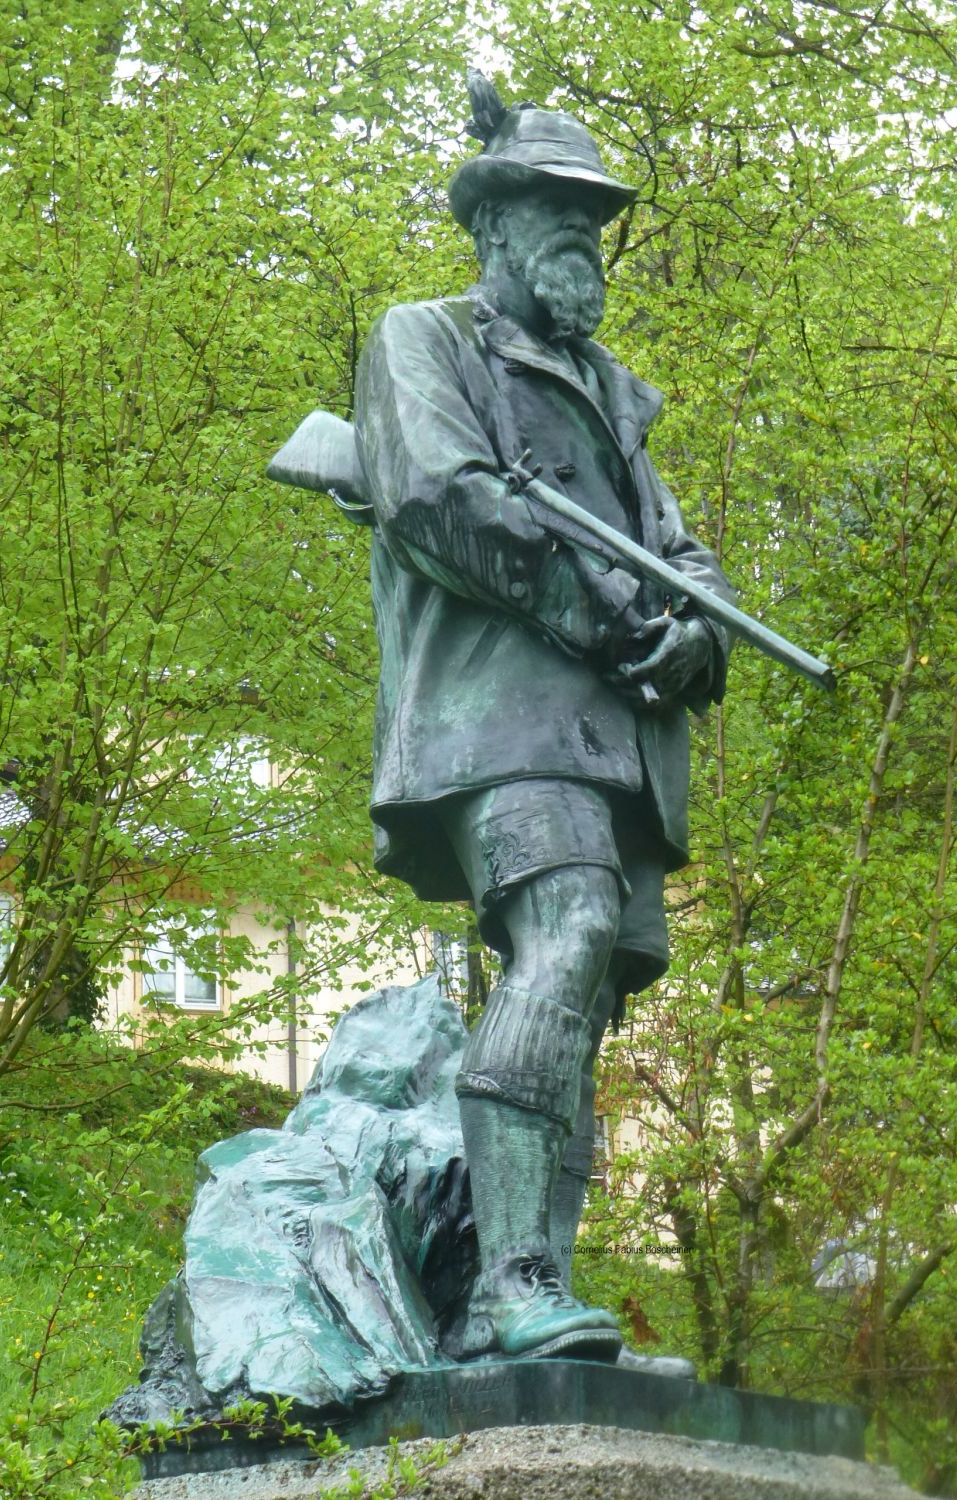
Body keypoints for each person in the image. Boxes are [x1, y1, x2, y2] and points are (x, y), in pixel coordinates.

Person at [353, 76, 733, 1365]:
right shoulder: (424, 341)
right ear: (493, 229)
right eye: (554, 209)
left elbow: (684, 555)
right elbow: (446, 506)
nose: (582, 232)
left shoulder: (620, 400)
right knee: (563, 934)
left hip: (618, 745)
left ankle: (544, 1295)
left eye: (595, 216)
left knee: (588, 1005)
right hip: (501, 725)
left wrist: (696, 629)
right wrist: (617, 618)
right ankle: (507, 1288)